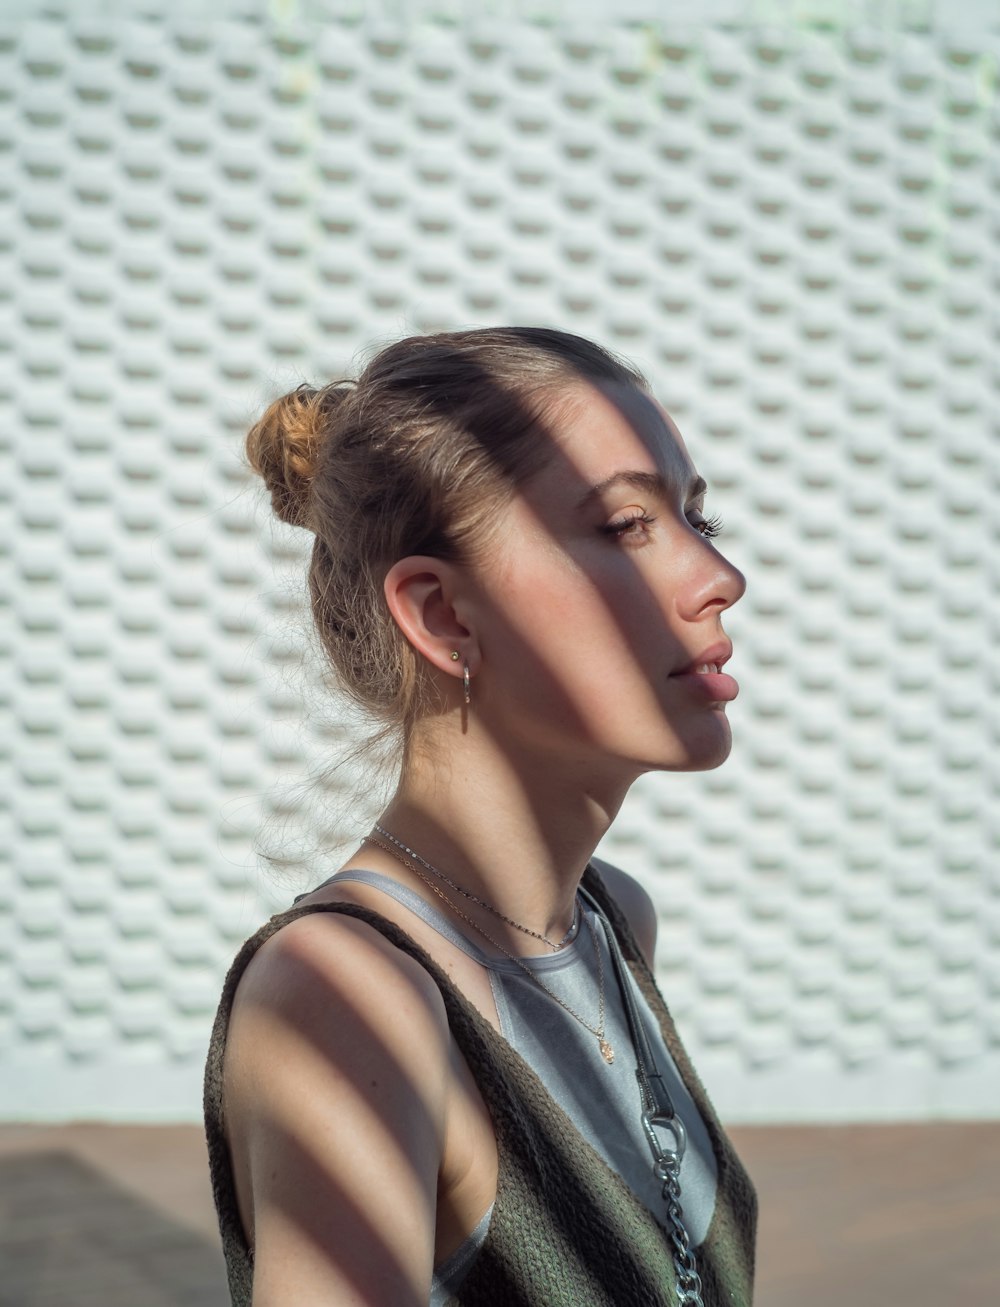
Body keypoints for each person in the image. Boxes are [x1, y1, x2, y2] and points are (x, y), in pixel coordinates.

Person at [203, 327, 758, 1307]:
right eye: (628, 524)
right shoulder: (353, 995)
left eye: (695, 514)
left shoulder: (610, 924)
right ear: (445, 614)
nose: (718, 577)